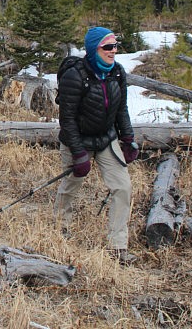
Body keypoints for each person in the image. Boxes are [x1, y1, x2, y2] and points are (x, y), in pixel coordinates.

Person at [55, 26, 140, 264]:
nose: (113, 51)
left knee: (122, 187)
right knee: (72, 185)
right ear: (94, 49)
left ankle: (118, 247)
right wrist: (79, 154)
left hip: (106, 139)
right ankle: (60, 229)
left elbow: (121, 109)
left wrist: (128, 138)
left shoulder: (117, 73)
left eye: (115, 46)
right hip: (78, 140)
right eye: (107, 47)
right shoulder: (75, 76)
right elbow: (67, 120)